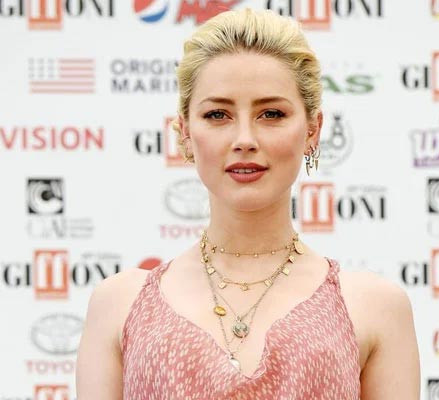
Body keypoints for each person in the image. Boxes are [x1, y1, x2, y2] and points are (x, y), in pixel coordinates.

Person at [76, 8, 419, 399]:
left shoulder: (375, 308)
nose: (244, 139)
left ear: (312, 129)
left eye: (271, 113)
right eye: (217, 114)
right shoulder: (119, 305)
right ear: (185, 131)